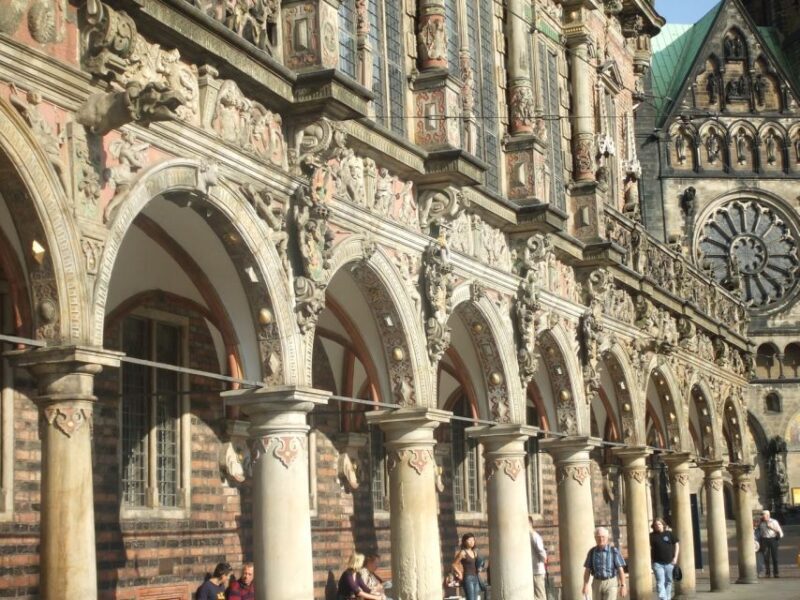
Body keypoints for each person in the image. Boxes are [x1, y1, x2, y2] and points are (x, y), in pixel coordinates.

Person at [582, 527, 627, 600]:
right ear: (595, 538)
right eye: (598, 537)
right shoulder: (592, 552)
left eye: (603, 537)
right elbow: (587, 570)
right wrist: (585, 585)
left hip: (611, 582)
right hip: (597, 582)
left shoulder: (613, 551)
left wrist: (623, 585)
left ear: (607, 537)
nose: (601, 539)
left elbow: (620, 569)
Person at [649, 518, 679, 600]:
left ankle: (667, 598)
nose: (657, 526)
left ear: (663, 525)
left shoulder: (669, 534)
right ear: (653, 526)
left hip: (670, 562)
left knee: (669, 582)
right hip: (657, 563)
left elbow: (676, 545)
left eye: (659, 524)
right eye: (655, 525)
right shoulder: (651, 536)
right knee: (660, 582)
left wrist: (675, 558)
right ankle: (664, 598)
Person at [453, 533, 481, 600]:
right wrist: (459, 573)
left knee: (475, 598)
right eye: (469, 540)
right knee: (470, 598)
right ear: (465, 542)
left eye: (473, 540)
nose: (472, 542)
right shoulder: (463, 552)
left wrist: (480, 567)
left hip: (476, 577)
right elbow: (454, 564)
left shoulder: (475, 552)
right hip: (468, 578)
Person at [757, 510, 784, 577]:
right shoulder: (761, 523)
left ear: (768, 515)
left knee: (775, 557)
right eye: (762, 515)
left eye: (764, 515)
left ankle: (776, 573)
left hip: (773, 540)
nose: (762, 516)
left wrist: (771, 527)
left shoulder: (774, 522)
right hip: (764, 540)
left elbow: (780, 532)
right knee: (766, 557)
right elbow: (759, 532)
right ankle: (768, 573)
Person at [529, 516, 547, 600]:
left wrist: (544, 559)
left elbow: (541, 552)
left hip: (537, 571)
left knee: (540, 596)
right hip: (531, 571)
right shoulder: (528, 536)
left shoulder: (534, 536)